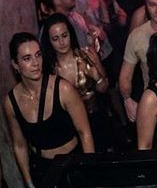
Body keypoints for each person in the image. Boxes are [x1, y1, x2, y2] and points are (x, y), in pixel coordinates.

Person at [4, 33, 94, 188]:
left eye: (38, 55)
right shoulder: (11, 102)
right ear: (15, 65)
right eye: (27, 58)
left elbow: (85, 133)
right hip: (43, 171)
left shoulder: (63, 89)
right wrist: (30, 186)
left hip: (73, 163)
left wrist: (88, 173)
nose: (35, 63)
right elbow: (20, 146)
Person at [39, 12, 112, 151]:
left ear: (71, 34)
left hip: (95, 120)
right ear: (49, 41)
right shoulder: (49, 69)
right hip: (68, 127)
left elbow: (104, 88)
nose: (61, 42)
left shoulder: (85, 56)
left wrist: (96, 75)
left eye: (64, 36)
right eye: (55, 39)